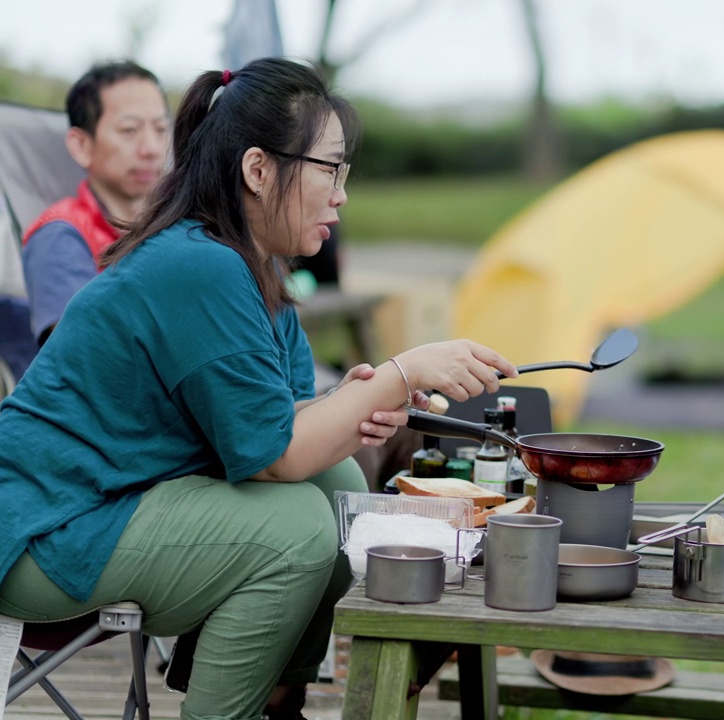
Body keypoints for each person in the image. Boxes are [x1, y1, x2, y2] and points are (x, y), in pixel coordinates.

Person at [0, 57, 519, 720]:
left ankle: (280, 701)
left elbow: (282, 422)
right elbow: (277, 456)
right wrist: (401, 371)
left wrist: (357, 403)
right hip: (46, 527)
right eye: (329, 169)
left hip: (118, 500)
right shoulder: (199, 265)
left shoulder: (253, 267)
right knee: (300, 527)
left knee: (339, 493)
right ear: (257, 170)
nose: (342, 194)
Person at [21, 60, 169, 346]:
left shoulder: (177, 225)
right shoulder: (60, 235)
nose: (151, 148)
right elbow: (85, 354)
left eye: (161, 129)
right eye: (129, 130)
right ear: (82, 146)